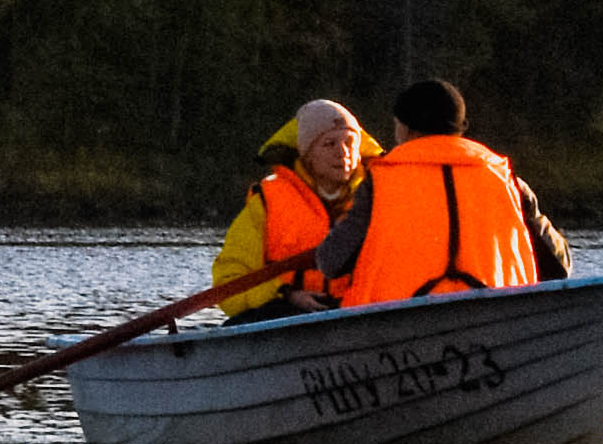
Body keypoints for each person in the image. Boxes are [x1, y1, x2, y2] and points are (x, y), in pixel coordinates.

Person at [305, 77, 573, 303]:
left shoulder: (379, 183)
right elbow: (560, 265)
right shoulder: (509, 180)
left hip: (399, 329)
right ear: (460, 127)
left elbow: (331, 262)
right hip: (495, 320)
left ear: (405, 128)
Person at [214, 100, 365, 318]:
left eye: (350, 142)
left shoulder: (375, 200)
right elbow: (229, 283)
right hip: (283, 315)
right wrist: (287, 295)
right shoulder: (267, 203)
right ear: (307, 154)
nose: (343, 153)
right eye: (329, 144)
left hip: (357, 317)